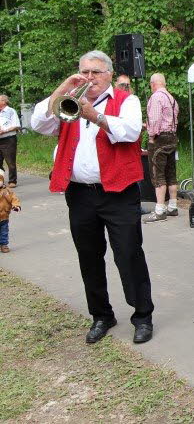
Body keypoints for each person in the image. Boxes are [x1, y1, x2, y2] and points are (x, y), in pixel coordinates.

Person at [31, 50, 154, 344]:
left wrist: (95, 116)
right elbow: (39, 123)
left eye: (95, 72)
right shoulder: (68, 101)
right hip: (80, 194)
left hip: (119, 193)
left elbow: (130, 131)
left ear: (109, 74)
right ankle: (101, 315)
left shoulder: (128, 100)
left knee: (128, 254)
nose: (89, 78)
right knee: (89, 257)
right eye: (84, 72)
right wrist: (62, 89)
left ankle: (143, 316)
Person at [143, 73, 179, 223]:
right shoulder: (172, 99)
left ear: (153, 84)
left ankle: (159, 210)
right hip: (172, 137)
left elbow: (155, 119)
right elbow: (173, 120)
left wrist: (151, 135)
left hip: (159, 139)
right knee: (171, 172)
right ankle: (173, 206)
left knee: (158, 174)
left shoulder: (156, 97)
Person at [0, 95, 21, 188]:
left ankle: (12, 181)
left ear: (4, 101)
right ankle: (1, 181)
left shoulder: (11, 111)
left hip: (8, 139)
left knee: (10, 161)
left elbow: (16, 126)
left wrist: (5, 130)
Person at [0, 170, 21, 253]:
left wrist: (16, 206)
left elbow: (14, 199)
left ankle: (4, 245)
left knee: (4, 232)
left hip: (4, 216)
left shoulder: (7, 191)